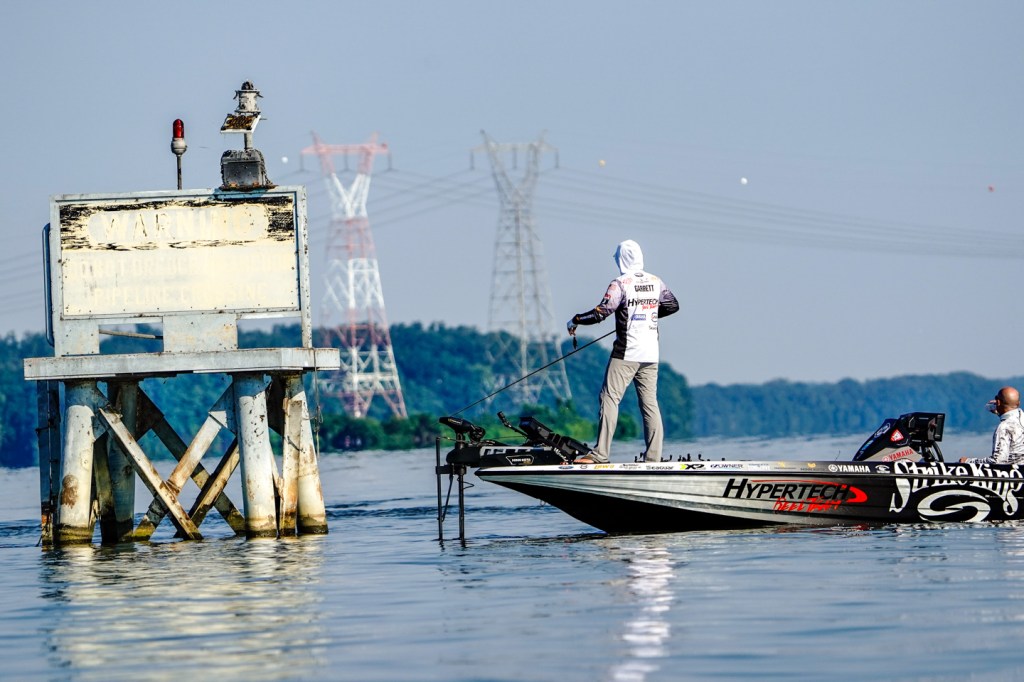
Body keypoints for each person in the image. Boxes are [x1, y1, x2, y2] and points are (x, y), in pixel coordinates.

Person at [566, 239, 679, 464]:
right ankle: (653, 458)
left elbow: (600, 312)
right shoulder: (655, 281)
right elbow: (672, 305)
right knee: (649, 404)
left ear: (622, 259)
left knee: (609, 398)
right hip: (651, 353)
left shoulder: (620, 283)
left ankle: (600, 454)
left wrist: (575, 320)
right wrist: (647, 314)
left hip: (627, 352)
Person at [960, 386, 1024, 465]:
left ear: (998, 402)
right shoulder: (1021, 418)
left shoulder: (1003, 427)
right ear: (1018, 403)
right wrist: (999, 409)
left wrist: (968, 461)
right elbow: (1010, 417)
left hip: (1014, 471)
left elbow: (998, 461)